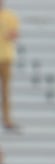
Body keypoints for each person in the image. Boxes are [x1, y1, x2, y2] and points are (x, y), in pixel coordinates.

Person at [0, 0, 19, 130]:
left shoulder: (10, 16)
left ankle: (7, 119)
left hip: (5, 57)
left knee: (6, 91)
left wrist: (8, 34)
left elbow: (14, 34)